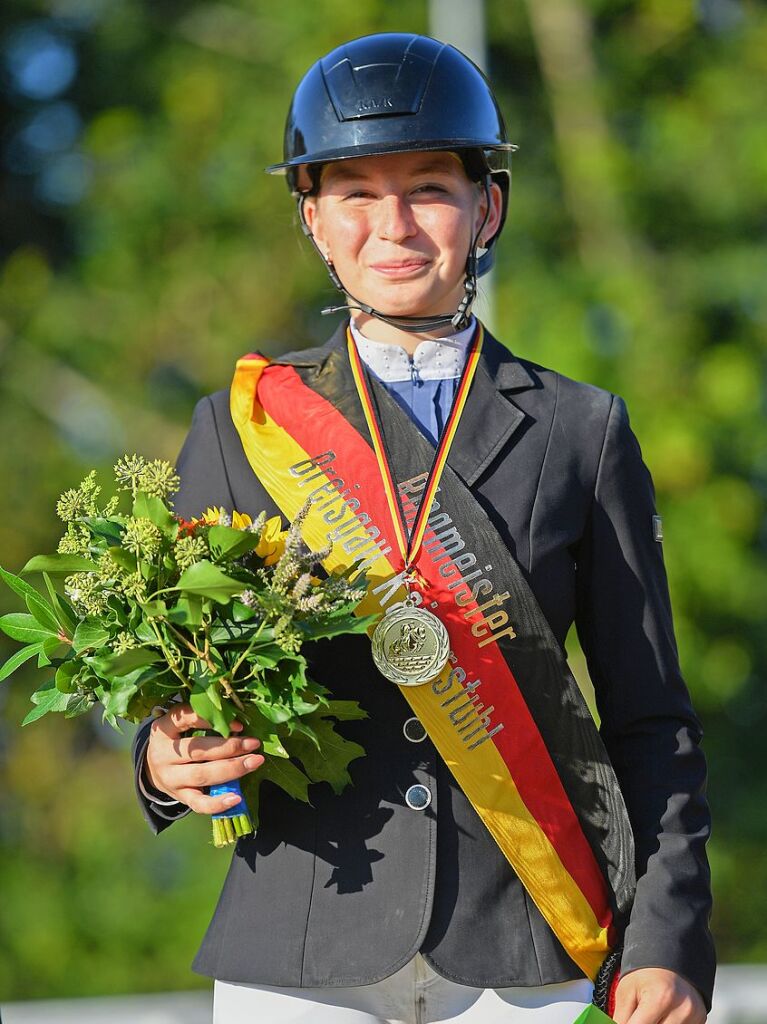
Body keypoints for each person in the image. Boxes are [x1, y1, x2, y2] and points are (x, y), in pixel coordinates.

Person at [131, 33, 715, 1024]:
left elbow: (649, 719)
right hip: (303, 940)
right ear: (312, 217)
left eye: (427, 188)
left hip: (524, 947)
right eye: (354, 191)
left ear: (486, 206)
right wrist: (160, 756)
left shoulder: (582, 429)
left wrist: (666, 939)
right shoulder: (243, 425)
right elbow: (168, 681)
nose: (391, 224)